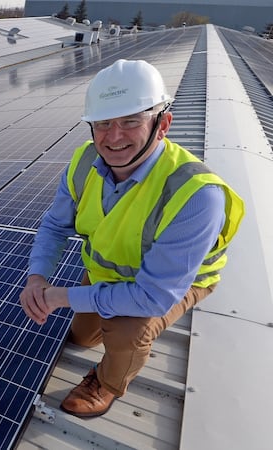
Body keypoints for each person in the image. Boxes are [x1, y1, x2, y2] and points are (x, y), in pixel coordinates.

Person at [18, 59, 245, 418]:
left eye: (130, 121)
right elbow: (54, 226)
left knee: (126, 330)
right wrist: (37, 276)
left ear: (162, 125)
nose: (114, 136)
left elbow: (151, 297)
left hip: (166, 285)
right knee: (80, 336)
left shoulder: (195, 195)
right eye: (104, 124)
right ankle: (97, 323)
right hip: (108, 272)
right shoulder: (82, 163)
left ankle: (107, 384)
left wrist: (61, 296)